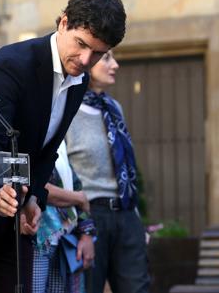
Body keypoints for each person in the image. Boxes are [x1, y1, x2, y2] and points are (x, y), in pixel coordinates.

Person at [0, 0, 127, 293]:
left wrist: (35, 198)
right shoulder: (11, 63)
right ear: (63, 23)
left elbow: (47, 150)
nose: (85, 60)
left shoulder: (78, 81)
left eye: (98, 54)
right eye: (81, 45)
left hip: (12, 221)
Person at [66, 51, 150, 293]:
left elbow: (124, 167)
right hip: (91, 216)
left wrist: (136, 221)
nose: (115, 65)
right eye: (106, 58)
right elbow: (63, 173)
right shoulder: (68, 110)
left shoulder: (114, 108)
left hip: (126, 215)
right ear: (87, 64)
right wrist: (84, 226)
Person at [33, 141, 95, 293]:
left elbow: (75, 185)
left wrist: (87, 233)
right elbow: (36, 185)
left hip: (64, 240)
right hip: (36, 241)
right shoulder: (30, 133)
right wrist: (78, 198)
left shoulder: (59, 140)